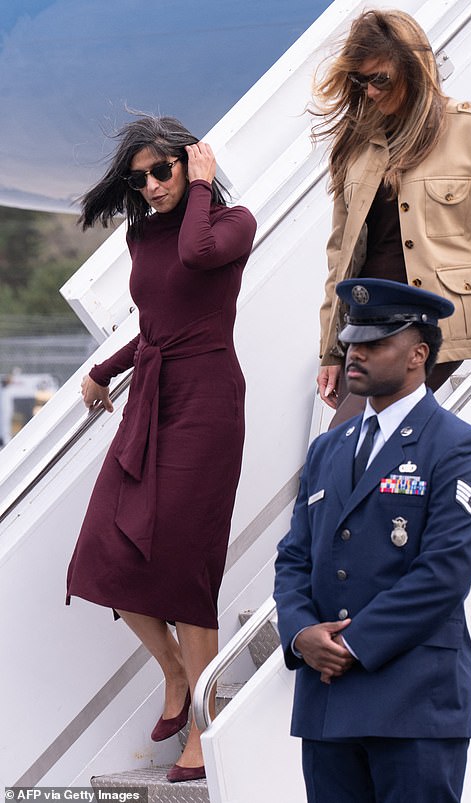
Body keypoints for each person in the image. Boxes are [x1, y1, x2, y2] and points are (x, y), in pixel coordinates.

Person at [66, 115, 257, 783]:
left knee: (183, 568)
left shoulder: (232, 224)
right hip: (153, 396)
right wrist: (104, 369)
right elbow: (155, 324)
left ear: (188, 162)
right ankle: (176, 670)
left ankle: (203, 731)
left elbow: (200, 255)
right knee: (103, 548)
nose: (149, 185)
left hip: (207, 404)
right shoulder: (140, 232)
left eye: (161, 170)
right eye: (138, 176)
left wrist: (202, 184)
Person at [274, 277, 471, 802]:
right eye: (352, 341)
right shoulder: (330, 448)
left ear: (419, 353)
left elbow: (443, 574)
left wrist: (351, 643)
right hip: (327, 702)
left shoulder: (458, 446)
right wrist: (301, 634)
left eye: (375, 343)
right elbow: (294, 558)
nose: (356, 353)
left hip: (413, 700)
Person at [313, 9, 471, 418]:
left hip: (436, 321)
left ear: (414, 69)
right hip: (367, 321)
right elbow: (340, 258)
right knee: (355, 454)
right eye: (361, 81)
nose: (371, 92)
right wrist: (330, 350)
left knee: (350, 440)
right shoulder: (355, 147)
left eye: (380, 78)